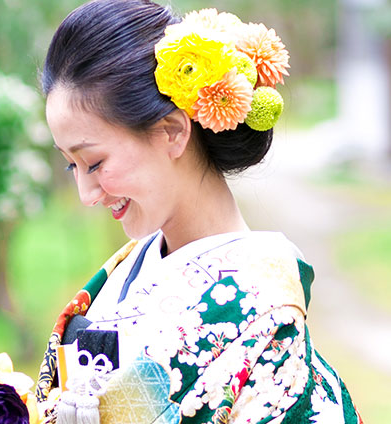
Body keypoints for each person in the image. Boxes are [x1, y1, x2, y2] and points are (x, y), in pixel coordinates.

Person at [34, 1, 362, 423]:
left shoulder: (265, 313)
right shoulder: (124, 272)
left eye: (94, 163)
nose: (86, 193)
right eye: (71, 165)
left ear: (172, 131)